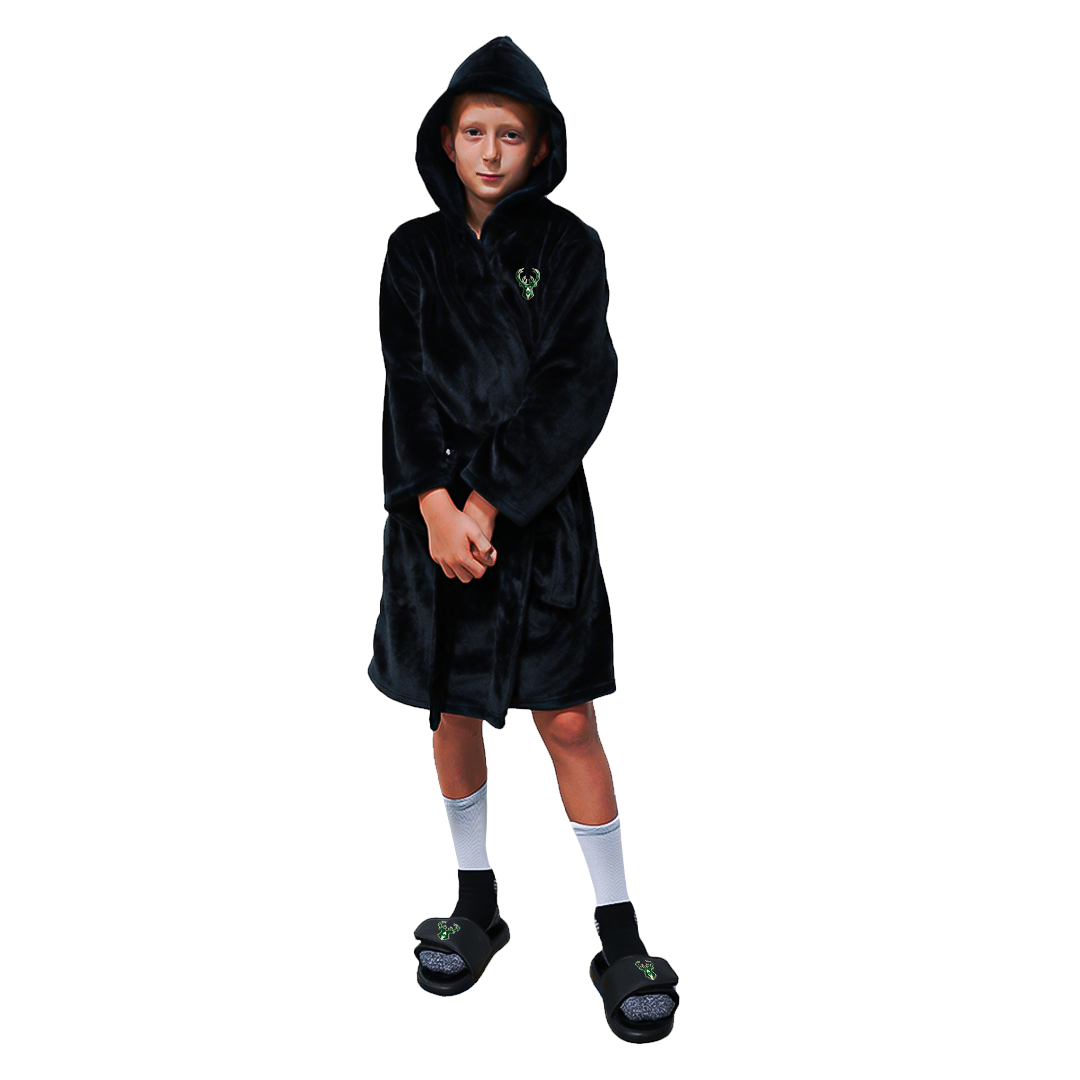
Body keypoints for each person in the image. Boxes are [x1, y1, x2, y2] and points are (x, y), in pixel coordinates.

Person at [367, 35, 679, 1043]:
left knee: (570, 720)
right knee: (449, 713)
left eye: (511, 134)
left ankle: (619, 932)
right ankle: (476, 903)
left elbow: (578, 381)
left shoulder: (571, 247)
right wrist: (433, 505)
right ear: (445, 141)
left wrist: (492, 500)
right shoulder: (413, 251)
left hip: (537, 524)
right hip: (434, 529)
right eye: (475, 132)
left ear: (542, 145)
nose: (491, 151)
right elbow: (405, 382)